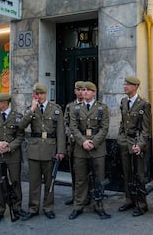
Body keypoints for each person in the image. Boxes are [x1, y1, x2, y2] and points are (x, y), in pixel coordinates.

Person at [19, 83, 66, 220]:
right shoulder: (31, 109)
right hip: (34, 149)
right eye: (36, 94)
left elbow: (61, 131)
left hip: (50, 149)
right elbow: (21, 126)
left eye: (40, 94)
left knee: (49, 181)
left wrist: (61, 150)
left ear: (45, 94)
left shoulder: (56, 109)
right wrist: (32, 110)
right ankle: (33, 208)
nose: (38, 96)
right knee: (34, 182)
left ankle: (48, 207)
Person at [68, 81, 111, 220]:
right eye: (83, 90)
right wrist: (83, 141)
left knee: (98, 178)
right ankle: (78, 206)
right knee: (80, 179)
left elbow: (105, 128)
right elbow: (73, 127)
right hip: (81, 148)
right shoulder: (75, 108)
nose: (84, 92)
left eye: (87, 90)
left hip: (97, 148)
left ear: (94, 92)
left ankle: (98, 205)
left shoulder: (102, 108)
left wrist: (94, 142)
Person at [0, 93, 26, 224]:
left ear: (4, 103)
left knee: (15, 181)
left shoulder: (17, 117)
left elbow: (20, 136)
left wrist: (9, 146)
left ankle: (17, 207)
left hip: (13, 154)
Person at [117, 76, 151, 217]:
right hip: (125, 142)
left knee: (139, 175)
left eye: (128, 84)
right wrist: (120, 139)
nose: (125, 86)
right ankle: (129, 199)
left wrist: (140, 145)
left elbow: (146, 129)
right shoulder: (124, 102)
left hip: (137, 143)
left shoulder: (143, 104)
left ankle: (141, 204)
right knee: (127, 173)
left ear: (136, 86)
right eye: (125, 84)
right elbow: (122, 123)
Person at [64, 81, 85, 206]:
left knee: (86, 172)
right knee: (74, 171)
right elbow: (65, 123)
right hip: (72, 143)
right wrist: (70, 134)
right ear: (75, 91)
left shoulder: (90, 105)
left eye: (83, 89)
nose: (81, 92)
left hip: (85, 143)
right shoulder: (70, 106)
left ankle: (86, 196)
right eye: (79, 89)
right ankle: (75, 196)